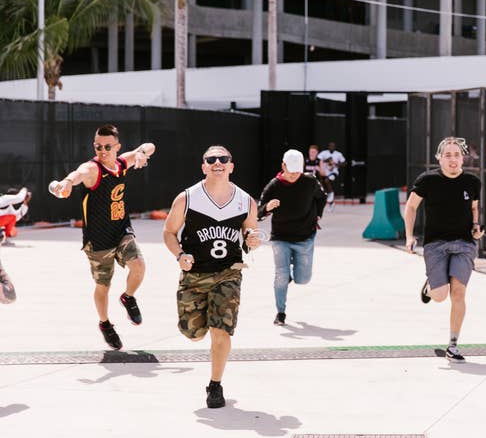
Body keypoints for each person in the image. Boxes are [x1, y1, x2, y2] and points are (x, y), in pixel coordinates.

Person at [162, 145, 262, 408]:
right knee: (193, 333)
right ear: (204, 166)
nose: (218, 162)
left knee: (221, 331)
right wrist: (179, 255)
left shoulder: (245, 201)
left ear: (231, 166)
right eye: (211, 159)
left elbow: (251, 237)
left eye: (223, 159)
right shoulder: (187, 198)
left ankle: (215, 385)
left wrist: (254, 240)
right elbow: (169, 232)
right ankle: (200, 325)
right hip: (194, 275)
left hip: (228, 273)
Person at [49, 124, 156, 350]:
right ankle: (105, 324)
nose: (102, 151)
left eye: (108, 146)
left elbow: (150, 146)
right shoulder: (92, 169)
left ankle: (128, 297)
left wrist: (141, 153)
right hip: (97, 240)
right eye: (98, 146)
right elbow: (78, 174)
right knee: (103, 285)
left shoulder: (122, 163)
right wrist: (66, 183)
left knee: (139, 265)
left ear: (117, 147)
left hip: (121, 231)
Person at [404, 137, 484, 361]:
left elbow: (474, 207)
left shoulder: (472, 181)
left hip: (464, 245)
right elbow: (411, 207)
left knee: (458, 293)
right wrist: (409, 236)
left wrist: (476, 227)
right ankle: (430, 287)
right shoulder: (427, 180)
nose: (453, 159)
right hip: (436, 244)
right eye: (447, 155)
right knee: (440, 296)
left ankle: (453, 345)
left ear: (463, 158)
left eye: (457, 155)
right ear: (439, 158)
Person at [257, 149, 327, 326]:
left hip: (305, 236)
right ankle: (280, 313)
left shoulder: (309, 181)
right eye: (291, 171)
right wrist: (267, 208)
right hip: (280, 237)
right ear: (283, 166)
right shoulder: (274, 185)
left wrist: (318, 215)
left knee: (303, 279)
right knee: (281, 275)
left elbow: (322, 197)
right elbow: (257, 214)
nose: (294, 175)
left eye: (298, 171)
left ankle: (291, 274)